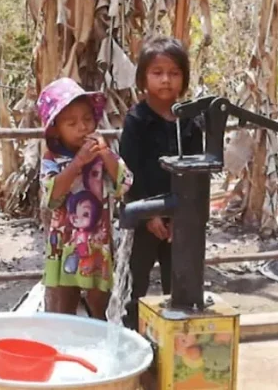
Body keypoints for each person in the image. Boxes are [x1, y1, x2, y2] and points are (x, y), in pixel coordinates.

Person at [119, 37, 203, 329]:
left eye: (174, 73)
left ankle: (175, 345)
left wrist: (184, 219)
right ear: (143, 78)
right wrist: (149, 215)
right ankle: (129, 340)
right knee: (133, 285)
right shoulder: (136, 121)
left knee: (180, 286)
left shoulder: (190, 123)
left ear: (184, 78)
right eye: (157, 72)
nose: (166, 80)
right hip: (142, 218)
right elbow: (128, 171)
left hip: (180, 221)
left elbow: (198, 172)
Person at [38, 77, 132, 318]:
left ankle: (97, 347)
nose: (82, 127)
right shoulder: (52, 158)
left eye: (88, 120)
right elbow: (51, 196)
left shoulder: (102, 154)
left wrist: (106, 154)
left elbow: (124, 183)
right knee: (63, 308)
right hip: (64, 244)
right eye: (72, 123)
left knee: (100, 307)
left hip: (96, 243)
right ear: (56, 129)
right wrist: (77, 163)